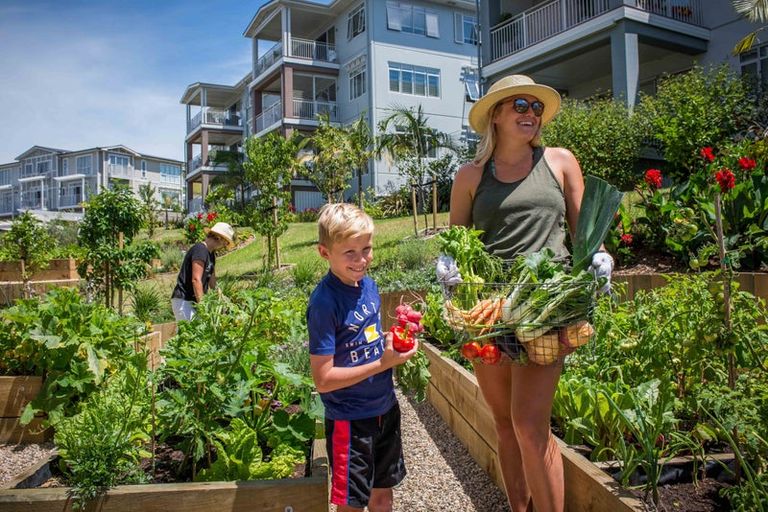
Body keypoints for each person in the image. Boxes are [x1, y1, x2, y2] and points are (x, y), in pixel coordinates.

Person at [439, 75, 613, 511]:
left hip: (545, 307)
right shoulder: (470, 176)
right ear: (495, 114)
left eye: (536, 107)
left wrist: (600, 258)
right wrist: (448, 266)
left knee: (530, 425)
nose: (530, 114)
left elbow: (586, 232)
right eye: (520, 105)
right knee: (503, 422)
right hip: (490, 309)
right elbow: (456, 242)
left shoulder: (559, 162)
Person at [306, 203, 418, 512]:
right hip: (350, 420)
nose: (361, 260)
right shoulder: (325, 303)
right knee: (351, 504)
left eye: (366, 249)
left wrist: (393, 341)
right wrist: (384, 363)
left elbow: (365, 341)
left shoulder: (368, 287)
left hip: (384, 409)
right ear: (324, 252)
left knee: (383, 496)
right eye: (350, 253)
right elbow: (324, 379)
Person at [170, 221, 234, 321]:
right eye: (225, 243)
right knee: (191, 333)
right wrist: (203, 306)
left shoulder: (211, 254)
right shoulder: (200, 250)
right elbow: (196, 280)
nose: (224, 246)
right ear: (219, 238)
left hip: (194, 302)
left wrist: (222, 298)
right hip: (184, 300)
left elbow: (212, 281)